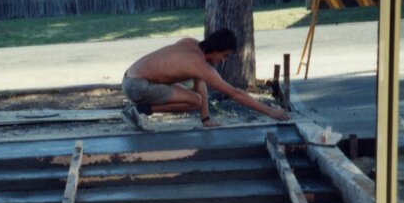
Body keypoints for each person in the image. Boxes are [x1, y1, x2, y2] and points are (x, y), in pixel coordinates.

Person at [121, 28, 289, 129]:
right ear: (216, 49)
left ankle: (139, 110)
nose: (223, 60)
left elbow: (199, 81)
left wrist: (206, 119)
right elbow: (235, 94)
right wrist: (270, 111)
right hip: (138, 86)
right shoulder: (199, 64)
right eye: (224, 55)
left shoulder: (191, 43)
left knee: (196, 98)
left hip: (131, 78)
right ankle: (139, 111)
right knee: (194, 101)